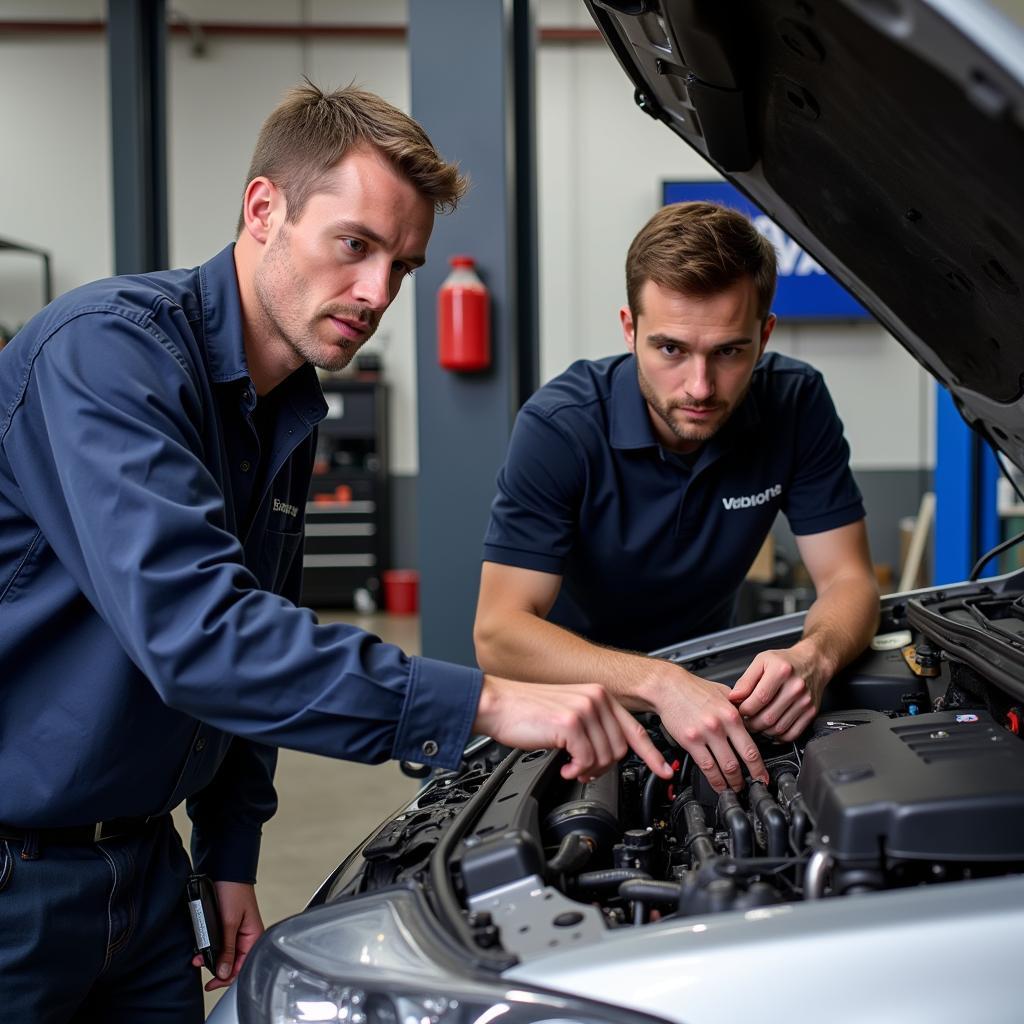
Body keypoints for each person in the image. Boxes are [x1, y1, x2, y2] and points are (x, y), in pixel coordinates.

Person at [0, 84, 672, 1022]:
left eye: (401, 266)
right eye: (354, 245)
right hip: (18, 884)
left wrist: (227, 853)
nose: (375, 295)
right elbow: (201, 636)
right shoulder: (106, 356)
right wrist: (485, 700)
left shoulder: (287, 405)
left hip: (146, 879)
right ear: (264, 209)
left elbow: (263, 618)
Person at [474, 201, 880, 795]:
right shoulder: (561, 426)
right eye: (670, 349)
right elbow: (499, 633)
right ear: (628, 329)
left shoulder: (796, 404)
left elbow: (850, 580)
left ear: (764, 335)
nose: (699, 387)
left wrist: (813, 658)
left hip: (712, 684)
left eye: (729, 352)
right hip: (572, 701)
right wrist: (661, 683)